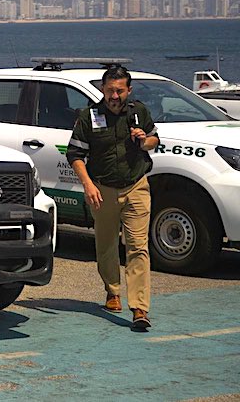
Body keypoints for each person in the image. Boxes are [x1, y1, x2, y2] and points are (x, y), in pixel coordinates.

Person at [66, 66, 159, 331]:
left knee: (138, 247)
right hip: (103, 190)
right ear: (103, 90)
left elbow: (155, 140)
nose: (114, 96)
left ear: (128, 90)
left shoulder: (139, 113)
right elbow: (74, 154)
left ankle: (140, 308)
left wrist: (144, 141)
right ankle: (113, 291)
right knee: (106, 245)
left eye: (119, 90)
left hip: (136, 186)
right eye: (109, 90)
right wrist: (88, 185)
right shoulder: (89, 116)